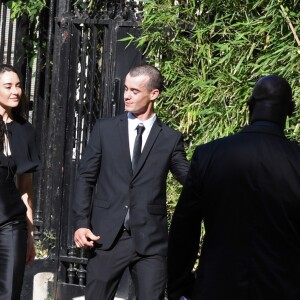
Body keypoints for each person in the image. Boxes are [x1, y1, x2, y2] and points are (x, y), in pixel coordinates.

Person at [167, 75, 300, 300]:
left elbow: (184, 228)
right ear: (290, 110)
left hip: (217, 285)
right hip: (282, 287)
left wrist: (179, 286)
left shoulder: (209, 155)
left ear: (249, 105)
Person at [72, 64, 190, 300]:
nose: (126, 95)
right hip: (106, 237)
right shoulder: (105, 130)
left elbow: (189, 177)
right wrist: (81, 223)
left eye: (134, 91)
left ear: (153, 94)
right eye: (126, 89)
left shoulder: (169, 138)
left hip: (150, 241)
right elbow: (86, 177)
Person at [0, 64, 40, 299]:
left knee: (9, 293)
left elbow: (25, 187)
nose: (15, 91)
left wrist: (30, 234)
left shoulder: (25, 131)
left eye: (18, 86)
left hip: (11, 224)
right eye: (8, 86)